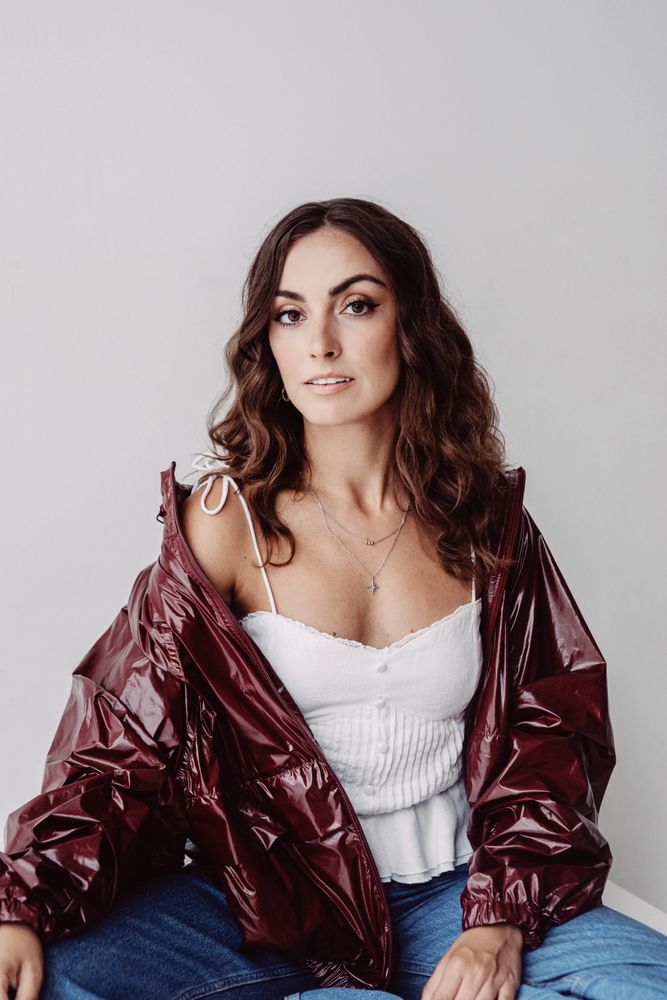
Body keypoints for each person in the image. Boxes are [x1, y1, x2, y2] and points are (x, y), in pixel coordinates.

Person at [1, 198, 666, 1000]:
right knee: (52, 974)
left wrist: (498, 921)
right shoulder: (225, 522)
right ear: (268, 342)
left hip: (453, 897)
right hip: (258, 907)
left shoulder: (483, 520)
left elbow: (550, 734)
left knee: (646, 983)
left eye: (355, 305)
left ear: (410, 324)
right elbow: (121, 738)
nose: (319, 342)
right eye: (289, 314)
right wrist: (22, 903)